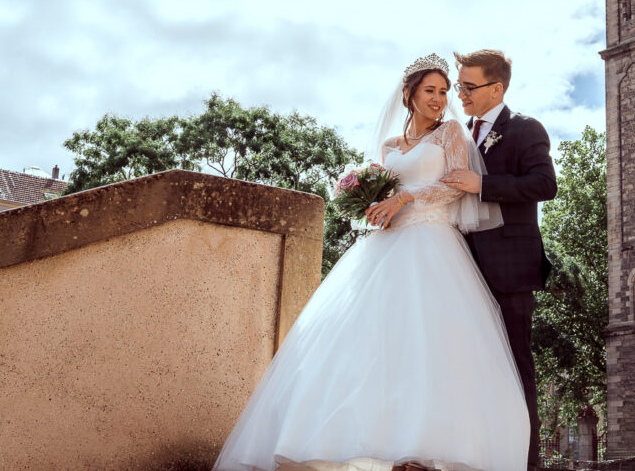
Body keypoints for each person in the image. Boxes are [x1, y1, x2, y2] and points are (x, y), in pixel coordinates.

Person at [212, 54, 529, 471]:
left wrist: (404, 198)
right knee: (372, 347)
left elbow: (454, 188)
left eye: (445, 91)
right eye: (430, 91)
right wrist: (374, 206)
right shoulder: (390, 147)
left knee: (429, 346)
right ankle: (367, 445)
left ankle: (423, 452)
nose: (440, 99)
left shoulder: (452, 132)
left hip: (433, 244)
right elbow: (385, 190)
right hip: (387, 244)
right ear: (410, 94)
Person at [441, 49, 558, 471]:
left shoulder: (526, 129)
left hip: (509, 268)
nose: (462, 94)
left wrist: (483, 184)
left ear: (497, 88)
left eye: (468, 87)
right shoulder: (455, 133)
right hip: (460, 267)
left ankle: (526, 464)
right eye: (460, 86)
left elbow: (545, 184)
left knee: (516, 367)